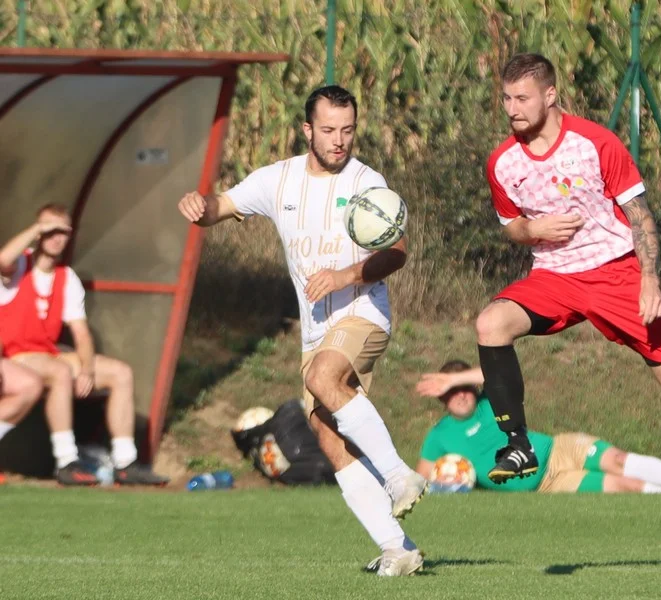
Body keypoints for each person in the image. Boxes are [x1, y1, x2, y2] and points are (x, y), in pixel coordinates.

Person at [476, 53, 661, 543]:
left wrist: (648, 278)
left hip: (618, 274)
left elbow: (640, 215)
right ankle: (518, 443)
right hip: (555, 277)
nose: (512, 107)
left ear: (550, 96)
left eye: (522, 97)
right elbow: (512, 229)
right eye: (506, 98)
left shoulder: (595, 143)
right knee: (490, 324)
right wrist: (533, 229)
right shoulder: (503, 162)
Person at [177, 85, 425, 576]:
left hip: (362, 314)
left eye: (348, 130)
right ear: (307, 129)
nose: (339, 141)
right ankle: (398, 548)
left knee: (321, 380)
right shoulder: (280, 180)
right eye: (329, 130)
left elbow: (396, 251)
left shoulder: (365, 180)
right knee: (329, 439)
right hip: (316, 329)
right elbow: (219, 207)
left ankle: (399, 475)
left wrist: (346, 276)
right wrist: (196, 205)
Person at [0, 205, 168, 486]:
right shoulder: (19, 267)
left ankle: (125, 462)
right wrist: (34, 229)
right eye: (49, 231)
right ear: (39, 233)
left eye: (62, 232)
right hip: (17, 356)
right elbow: (2, 259)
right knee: (60, 372)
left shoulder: (67, 279)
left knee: (120, 373)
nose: (56, 238)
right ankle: (66, 461)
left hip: (49, 355)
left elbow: (81, 334)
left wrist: (88, 369)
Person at [416, 360, 661, 495]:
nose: (459, 396)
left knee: (618, 461)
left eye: (462, 388)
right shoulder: (439, 437)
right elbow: (420, 480)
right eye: (450, 392)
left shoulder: (491, 400)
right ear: (441, 398)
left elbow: (500, 370)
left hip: (560, 450)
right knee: (624, 487)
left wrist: (454, 379)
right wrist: (448, 486)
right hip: (549, 486)